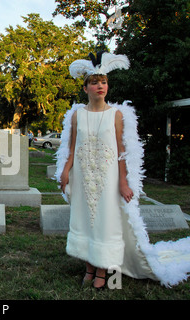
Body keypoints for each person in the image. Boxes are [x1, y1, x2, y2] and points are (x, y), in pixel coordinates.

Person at [55, 52, 190, 289]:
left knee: (106, 221)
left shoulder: (117, 115)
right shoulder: (77, 115)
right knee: (84, 219)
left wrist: (124, 182)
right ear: (85, 87)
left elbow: (122, 151)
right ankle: (88, 265)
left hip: (108, 177)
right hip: (83, 176)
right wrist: (65, 171)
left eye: (103, 82)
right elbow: (72, 146)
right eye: (94, 82)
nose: (100, 86)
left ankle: (102, 269)